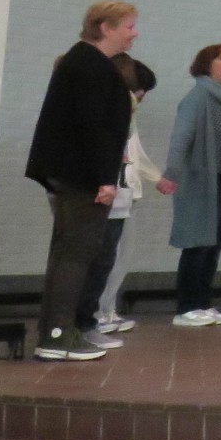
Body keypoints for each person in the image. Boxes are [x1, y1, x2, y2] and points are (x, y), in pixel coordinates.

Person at [25, 1, 137, 360]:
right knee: (76, 253)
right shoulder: (89, 66)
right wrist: (106, 178)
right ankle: (57, 336)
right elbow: (93, 126)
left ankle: (56, 331)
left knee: (67, 253)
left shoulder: (84, 62)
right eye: (129, 26)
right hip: (81, 176)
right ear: (105, 27)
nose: (134, 33)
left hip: (74, 173)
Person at [166, 43, 221, 328]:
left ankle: (203, 302)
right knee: (197, 242)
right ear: (206, 64)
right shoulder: (199, 95)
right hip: (203, 179)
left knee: (213, 243)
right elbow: (181, 136)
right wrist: (171, 173)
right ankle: (186, 307)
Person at [87, 54, 159, 340]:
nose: (142, 97)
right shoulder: (114, 107)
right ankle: (96, 314)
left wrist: (156, 178)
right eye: (141, 89)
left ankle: (107, 308)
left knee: (120, 255)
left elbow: (134, 151)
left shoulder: (128, 113)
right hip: (112, 189)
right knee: (106, 255)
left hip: (126, 189)